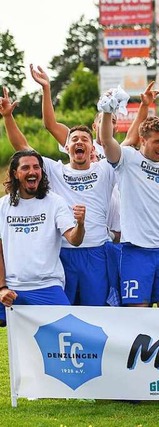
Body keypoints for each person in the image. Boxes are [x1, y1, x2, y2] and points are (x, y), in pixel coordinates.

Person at [0, 88, 115, 307]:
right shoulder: (55, 170)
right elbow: (22, 148)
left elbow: (116, 142)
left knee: (97, 311)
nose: (79, 142)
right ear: (67, 146)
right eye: (74, 139)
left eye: (84, 139)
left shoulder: (105, 169)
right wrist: (8, 117)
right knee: (63, 314)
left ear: (92, 147)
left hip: (96, 252)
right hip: (64, 252)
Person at [100, 109, 159, 308]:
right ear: (143, 140)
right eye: (157, 141)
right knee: (137, 314)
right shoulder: (128, 159)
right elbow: (106, 141)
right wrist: (106, 112)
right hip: (135, 250)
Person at [0, 150, 85, 326]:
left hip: (47, 286)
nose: (32, 172)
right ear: (15, 174)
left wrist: (80, 224)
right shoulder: (3, 205)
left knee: (69, 329)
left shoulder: (55, 202)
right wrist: (2, 288)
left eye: (36, 167)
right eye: (26, 168)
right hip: (12, 287)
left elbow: (74, 239)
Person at [29, 64, 151, 159]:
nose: (108, 122)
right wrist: (46, 88)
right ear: (94, 126)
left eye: (113, 121)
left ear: (116, 128)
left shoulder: (118, 151)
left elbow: (132, 137)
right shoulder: (80, 142)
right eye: (103, 120)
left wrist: (144, 105)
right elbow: (50, 125)